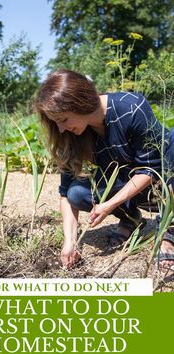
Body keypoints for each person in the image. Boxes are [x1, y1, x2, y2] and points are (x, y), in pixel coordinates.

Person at [35, 69, 174, 269]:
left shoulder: (131, 107)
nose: (61, 129)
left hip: (163, 183)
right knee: (76, 192)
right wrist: (69, 243)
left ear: (80, 102)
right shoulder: (72, 134)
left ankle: (168, 231)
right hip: (128, 187)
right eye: (56, 123)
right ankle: (130, 219)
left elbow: (150, 169)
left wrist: (108, 204)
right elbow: (65, 193)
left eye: (64, 120)